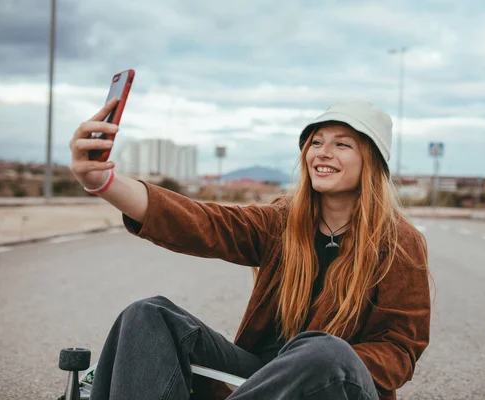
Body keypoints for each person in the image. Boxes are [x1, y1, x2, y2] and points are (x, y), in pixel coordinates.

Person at [69, 99, 431, 400]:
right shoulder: (282, 222)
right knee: (148, 314)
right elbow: (204, 222)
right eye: (316, 142)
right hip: (259, 381)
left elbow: (400, 350)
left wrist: (316, 363)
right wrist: (104, 182)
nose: (322, 153)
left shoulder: (399, 243)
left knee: (325, 350)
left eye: (341, 144)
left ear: (372, 160)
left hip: (332, 386)